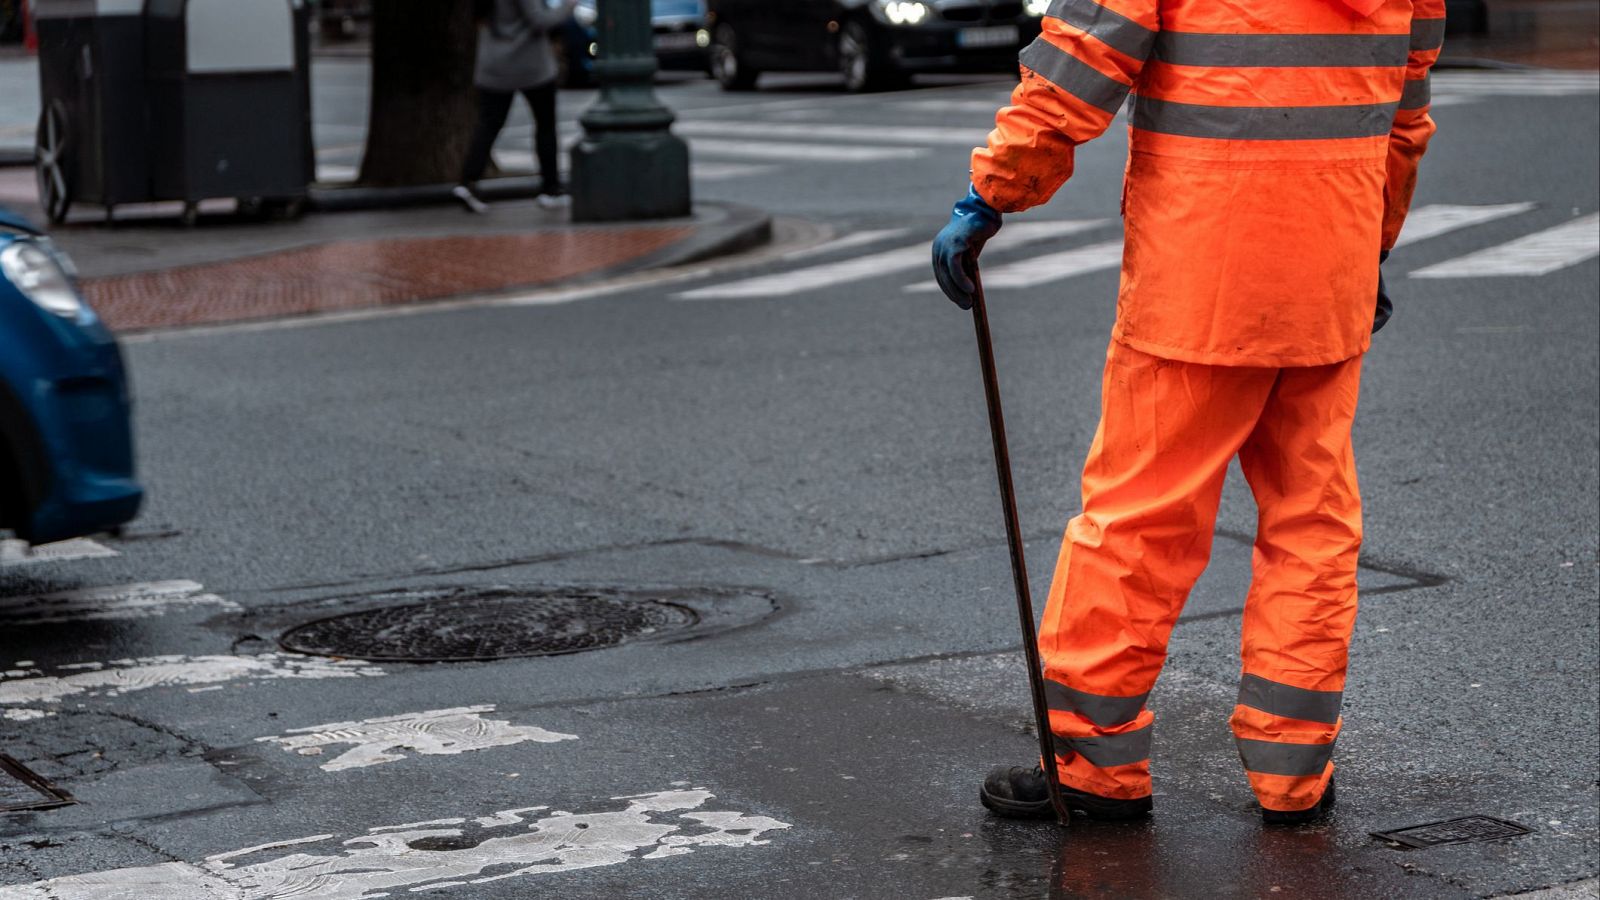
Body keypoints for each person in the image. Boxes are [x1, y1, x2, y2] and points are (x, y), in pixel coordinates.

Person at [932, 0, 1442, 825]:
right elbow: (1403, 111)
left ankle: (1091, 766)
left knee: (1141, 520)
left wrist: (991, 193)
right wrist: (1370, 244)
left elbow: (1081, 60)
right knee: (1313, 523)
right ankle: (1293, 774)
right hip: (1327, 267)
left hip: (1201, 275)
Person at [454, 0, 579, 213]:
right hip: (531, 65)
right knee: (545, 125)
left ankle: (468, 182)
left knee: (488, 125)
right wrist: (568, 6)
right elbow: (540, 20)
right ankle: (550, 189)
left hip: (494, 64)